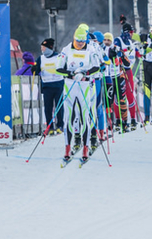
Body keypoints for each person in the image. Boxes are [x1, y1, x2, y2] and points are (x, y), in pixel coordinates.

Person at [55, 27, 103, 165]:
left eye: (82, 41)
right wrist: (71, 74)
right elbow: (58, 68)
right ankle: (67, 149)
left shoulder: (91, 50)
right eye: (78, 41)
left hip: (84, 86)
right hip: (69, 86)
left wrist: (85, 74)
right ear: (74, 38)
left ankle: (85, 148)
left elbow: (97, 67)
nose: (80, 44)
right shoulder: (67, 49)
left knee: (84, 117)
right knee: (68, 118)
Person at [37, 38, 65, 135]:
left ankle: (60, 125)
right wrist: (33, 69)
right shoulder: (41, 58)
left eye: (43, 48)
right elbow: (36, 70)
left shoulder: (58, 57)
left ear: (49, 48)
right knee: (48, 107)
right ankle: (50, 126)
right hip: (47, 86)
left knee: (59, 106)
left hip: (58, 84)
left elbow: (64, 67)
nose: (42, 50)